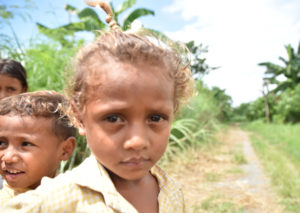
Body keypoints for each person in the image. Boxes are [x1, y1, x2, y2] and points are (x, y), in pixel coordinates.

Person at [1, 1, 193, 212]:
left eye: (155, 118)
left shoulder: (172, 191)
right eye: (113, 118)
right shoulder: (56, 197)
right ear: (78, 117)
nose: (137, 141)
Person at [0, 91, 76, 204]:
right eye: (1, 143)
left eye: (26, 144)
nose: (8, 158)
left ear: (65, 150)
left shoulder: (75, 202)